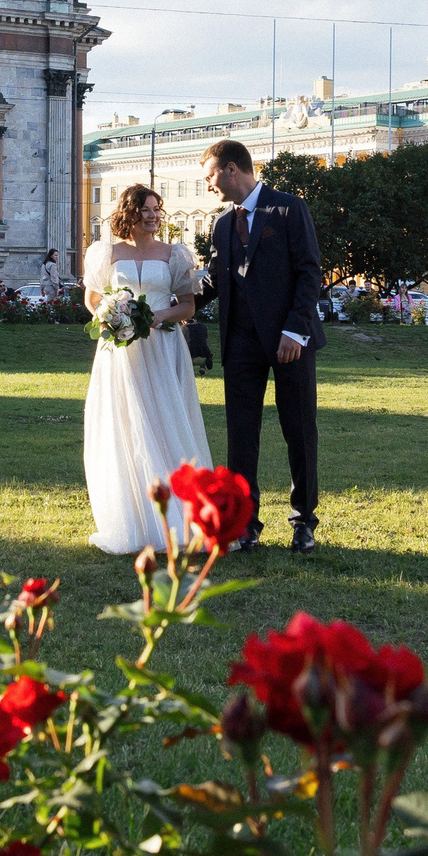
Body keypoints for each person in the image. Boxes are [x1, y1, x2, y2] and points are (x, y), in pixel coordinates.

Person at [201, 139, 323, 554]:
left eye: (210, 176)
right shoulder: (221, 224)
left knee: (299, 431)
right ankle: (245, 525)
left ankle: (304, 522)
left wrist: (295, 331)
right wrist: (168, 304)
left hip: (290, 342)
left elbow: (309, 272)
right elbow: (214, 281)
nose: (208, 185)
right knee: (241, 436)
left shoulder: (288, 208)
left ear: (231, 169)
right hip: (240, 344)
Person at [81, 185, 214, 555]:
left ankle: (179, 517)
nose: (153, 215)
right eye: (146, 209)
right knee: (127, 423)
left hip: (163, 346)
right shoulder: (106, 253)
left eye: (157, 209)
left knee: (165, 419)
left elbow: (187, 306)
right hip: (119, 351)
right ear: (130, 212)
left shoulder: (174, 254)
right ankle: (133, 517)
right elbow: (92, 298)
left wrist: (158, 316)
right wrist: (110, 314)